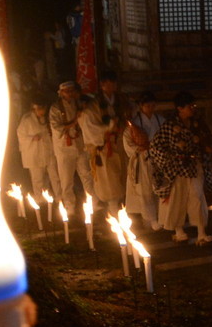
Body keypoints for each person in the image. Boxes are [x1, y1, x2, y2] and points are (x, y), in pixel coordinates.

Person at [151, 91, 212, 244]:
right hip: (177, 168)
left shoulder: (197, 122)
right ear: (180, 108)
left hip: (195, 165)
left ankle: (201, 232)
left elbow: (208, 139)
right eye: (189, 106)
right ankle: (179, 231)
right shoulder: (170, 125)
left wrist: (206, 147)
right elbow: (156, 146)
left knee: (197, 196)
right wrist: (171, 158)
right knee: (177, 199)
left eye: (193, 105)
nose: (192, 108)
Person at [81, 70, 128, 217]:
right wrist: (108, 127)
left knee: (123, 178)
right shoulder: (93, 106)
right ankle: (113, 211)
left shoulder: (121, 101)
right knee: (109, 181)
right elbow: (89, 126)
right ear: (102, 85)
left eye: (114, 83)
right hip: (104, 148)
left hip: (120, 145)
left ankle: (122, 210)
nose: (112, 86)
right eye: (109, 83)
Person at [48, 80, 93, 215]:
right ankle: (69, 207)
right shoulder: (55, 108)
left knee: (87, 175)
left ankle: (93, 204)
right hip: (64, 149)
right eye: (67, 91)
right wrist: (74, 122)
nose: (69, 93)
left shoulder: (79, 104)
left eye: (71, 91)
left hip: (80, 145)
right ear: (61, 93)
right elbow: (57, 128)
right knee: (66, 180)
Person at [125, 91, 163, 230]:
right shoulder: (134, 122)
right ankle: (150, 219)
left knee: (160, 188)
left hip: (159, 158)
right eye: (147, 105)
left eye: (152, 105)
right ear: (141, 106)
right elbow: (127, 141)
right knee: (145, 190)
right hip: (142, 158)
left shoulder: (160, 120)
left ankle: (160, 216)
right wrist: (138, 148)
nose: (150, 108)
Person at [16, 93, 60, 207]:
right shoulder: (27, 120)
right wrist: (32, 138)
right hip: (34, 153)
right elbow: (21, 135)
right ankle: (40, 199)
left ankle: (59, 198)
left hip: (48, 151)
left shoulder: (47, 119)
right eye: (40, 109)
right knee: (38, 178)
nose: (42, 112)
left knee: (54, 176)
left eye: (43, 109)